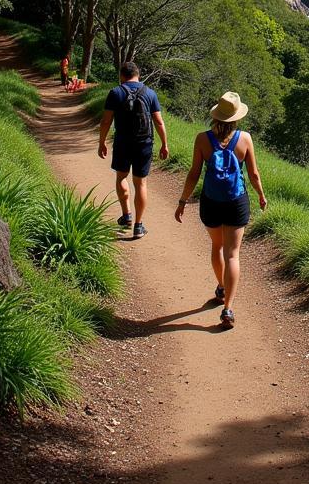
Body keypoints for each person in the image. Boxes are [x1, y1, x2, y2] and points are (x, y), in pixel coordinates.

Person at [174, 92, 267, 329]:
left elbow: (194, 173)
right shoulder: (245, 138)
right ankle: (228, 309)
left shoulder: (202, 139)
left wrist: (183, 201)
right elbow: (254, 174)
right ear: (236, 117)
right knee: (233, 254)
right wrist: (261, 195)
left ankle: (221, 288)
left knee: (217, 246)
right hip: (236, 201)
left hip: (211, 201)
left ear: (216, 116)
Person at [98, 62, 169, 238]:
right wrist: (164, 144)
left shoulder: (115, 93)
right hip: (144, 143)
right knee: (141, 183)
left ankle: (127, 215)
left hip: (123, 142)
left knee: (121, 177)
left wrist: (102, 142)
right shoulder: (150, 93)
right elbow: (159, 122)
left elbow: (106, 121)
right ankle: (138, 226)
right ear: (138, 75)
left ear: (122, 76)